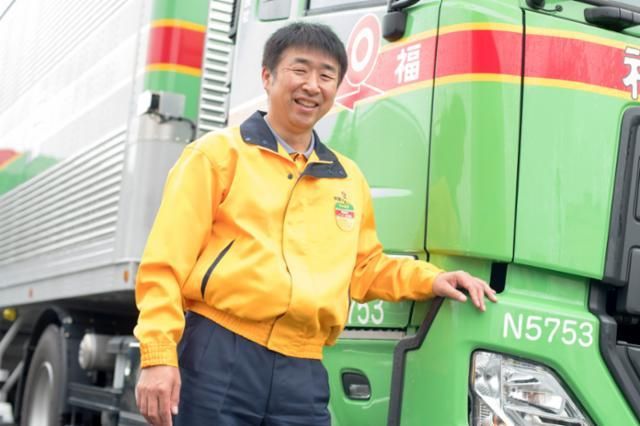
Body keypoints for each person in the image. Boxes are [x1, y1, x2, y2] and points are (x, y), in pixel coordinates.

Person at [134, 22, 497, 426]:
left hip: (303, 368)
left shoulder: (347, 178)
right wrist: (158, 355)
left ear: (336, 89)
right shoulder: (216, 156)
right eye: (299, 70)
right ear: (268, 76)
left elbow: (365, 268)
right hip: (219, 353)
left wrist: (433, 279)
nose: (312, 85)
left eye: (326, 75)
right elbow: (165, 265)